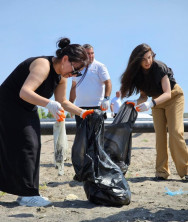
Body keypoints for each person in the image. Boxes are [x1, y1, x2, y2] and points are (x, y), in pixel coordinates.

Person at [0, 37, 95, 207]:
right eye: (75, 69)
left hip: (28, 108)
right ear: (65, 59)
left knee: (34, 145)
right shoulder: (42, 65)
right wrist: (48, 104)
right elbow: (24, 92)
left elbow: (63, 101)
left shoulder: (62, 76)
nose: (73, 75)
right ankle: (28, 194)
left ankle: (25, 193)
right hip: (8, 104)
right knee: (28, 144)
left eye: (77, 73)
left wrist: (82, 112)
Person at [120, 43, 188, 181]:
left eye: (149, 57)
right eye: (144, 59)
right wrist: (136, 102)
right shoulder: (137, 74)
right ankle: (161, 172)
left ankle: (186, 171)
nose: (147, 62)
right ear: (137, 60)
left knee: (175, 133)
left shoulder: (159, 67)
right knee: (160, 137)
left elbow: (168, 93)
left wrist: (151, 103)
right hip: (156, 101)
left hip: (173, 97)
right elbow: (144, 96)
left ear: (153, 56)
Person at [69, 44, 112, 128]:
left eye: (92, 53)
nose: (91, 56)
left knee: (96, 138)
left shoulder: (100, 66)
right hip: (80, 109)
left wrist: (106, 98)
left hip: (96, 107)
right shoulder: (77, 67)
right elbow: (73, 86)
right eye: (88, 53)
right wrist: (70, 105)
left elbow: (108, 83)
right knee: (81, 138)